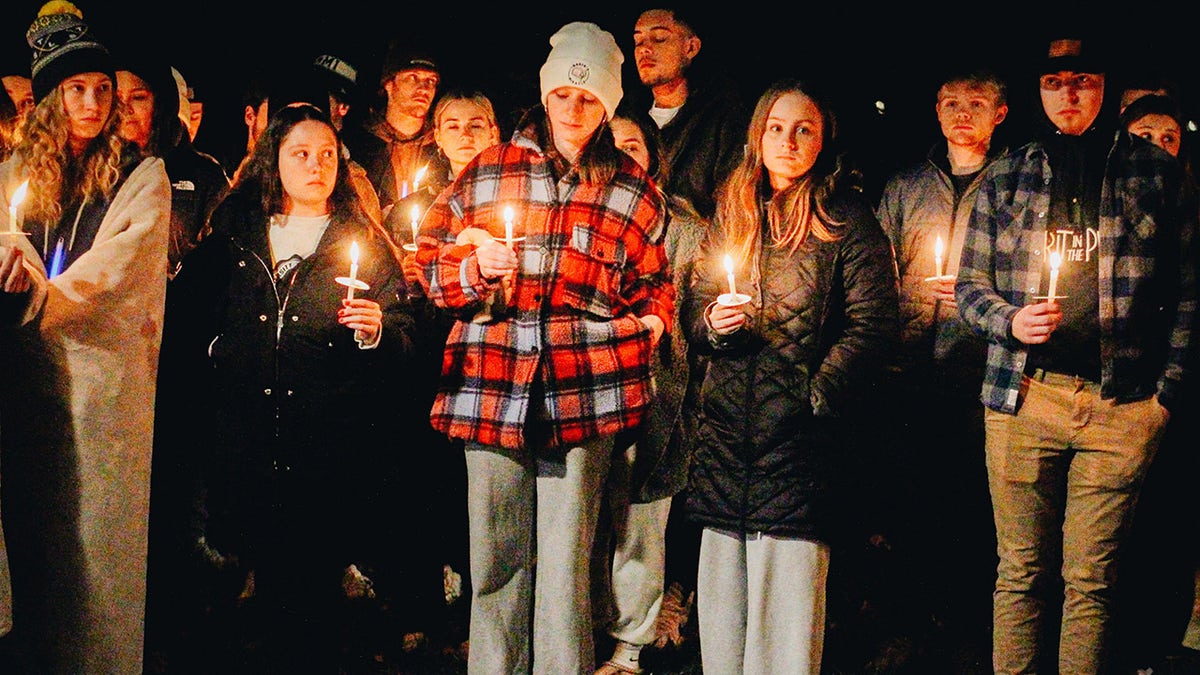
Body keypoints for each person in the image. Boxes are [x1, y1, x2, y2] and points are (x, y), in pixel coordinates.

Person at [415, 21, 672, 674]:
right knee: (496, 559)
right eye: (564, 94)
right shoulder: (493, 168)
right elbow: (429, 257)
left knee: (565, 567)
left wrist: (650, 325)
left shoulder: (633, 191)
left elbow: (653, 285)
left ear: (609, 106)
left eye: (589, 99)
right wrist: (474, 269)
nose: (573, 110)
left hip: (584, 396)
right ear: (546, 92)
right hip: (494, 385)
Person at [955, 36, 1197, 674]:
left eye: (1084, 80)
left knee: (1090, 581)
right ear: (1038, 89)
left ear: (1107, 89)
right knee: (1020, 572)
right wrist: (1011, 320)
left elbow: (1191, 294)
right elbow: (968, 288)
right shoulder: (1005, 176)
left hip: (1119, 407)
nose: (1069, 94)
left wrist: (1164, 399)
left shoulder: (1156, 173)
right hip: (1024, 397)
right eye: (1056, 81)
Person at [164, 101, 417, 672]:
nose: (316, 165)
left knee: (310, 606)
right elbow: (185, 318)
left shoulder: (363, 241)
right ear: (273, 161)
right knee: (238, 603)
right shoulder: (236, 239)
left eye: (327, 154)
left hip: (324, 452)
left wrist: (379, 332)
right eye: (300, 153)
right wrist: (219, 352)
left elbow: (406, 335)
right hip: (245, 448)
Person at [682, 78, 899, 675]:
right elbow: (695, 309)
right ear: (758, 136)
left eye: (804, 128)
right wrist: (714, 322)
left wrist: (815, 396)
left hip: (800, 448)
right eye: (776, 128)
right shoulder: (733, 216)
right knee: (723, 623)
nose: (789, 140)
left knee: (784, 631)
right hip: (727, 442)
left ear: (823, 137)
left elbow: (874, 324)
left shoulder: (846, 222)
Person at [0, 2, 171, 672]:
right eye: (76, 88)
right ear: (48, 98)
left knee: (90, 566)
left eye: (103, 88)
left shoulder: (140, 174)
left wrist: (37, 293)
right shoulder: (14, 175)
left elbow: (120, 275)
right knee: (28, 557)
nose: (95, 101)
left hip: (97, 401)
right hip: (18, 391)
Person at [873, 67, 1009, 664]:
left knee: (969, 506)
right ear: (934, 109)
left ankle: (960, 631)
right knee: (906, 501)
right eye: (951, 102)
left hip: (975, 373)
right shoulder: (906, 187)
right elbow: (875, 268)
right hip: (906, 372)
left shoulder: (1013, 185)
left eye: (976, 103)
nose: (962, 113)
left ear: (999, 113)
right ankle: (904, 625)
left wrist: (979, 295)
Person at [591, 102, 708, 675]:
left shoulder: (684, 230)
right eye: (609, 145)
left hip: (660, 393)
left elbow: (698, 322)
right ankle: (585, 630)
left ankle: (630, 644)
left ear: (654, 161)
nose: (619, 156)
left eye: (631, 146)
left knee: (640, 524)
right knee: (587, 522)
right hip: (588, 394)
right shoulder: (585, 218)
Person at [632, 6, 747, 220]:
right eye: (638, 41)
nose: (644, 49)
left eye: (659, 38)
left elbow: (732, 208)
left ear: (691, 47)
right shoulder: (626, 120)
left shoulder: (723, 122)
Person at [348, 44, 445, 215]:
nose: (423, 88)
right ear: (389, 84)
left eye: (431, 81)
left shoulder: (443, 148)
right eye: (412, 77)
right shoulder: (358, 146)